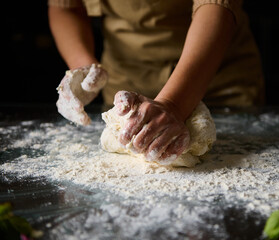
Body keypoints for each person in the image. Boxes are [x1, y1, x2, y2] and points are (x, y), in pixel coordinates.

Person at [48, 0, 264, 163]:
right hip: (127, 80)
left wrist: (174, 104)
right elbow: (65, 6)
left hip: (215, 75)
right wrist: (83, 64)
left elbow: (216, 6)